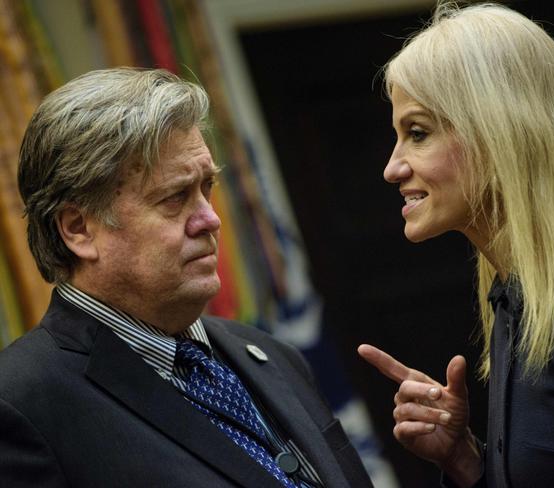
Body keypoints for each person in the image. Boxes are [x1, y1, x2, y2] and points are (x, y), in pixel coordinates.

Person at [0, 67, 372, 488]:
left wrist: (458, 469)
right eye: (175, 198)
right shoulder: (20, 404)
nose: (210, 219)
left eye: (206, 187)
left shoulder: (275, 357)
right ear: (79, 229)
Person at [358, 2, 554, 487]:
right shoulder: (515, 300)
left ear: (499, 132)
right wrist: (466, 463)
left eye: (418, 133)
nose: (393, 167)